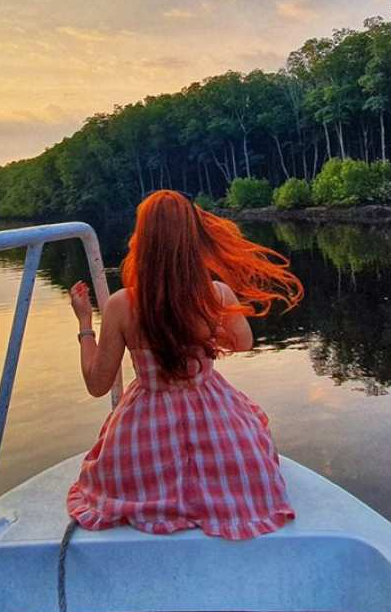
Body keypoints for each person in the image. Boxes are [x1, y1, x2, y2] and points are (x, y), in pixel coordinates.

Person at [65, 190, 303, 540]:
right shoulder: (216, 295)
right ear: (193, 238)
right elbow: (244, 343)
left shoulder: (121, 305)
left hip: (145, 425)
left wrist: (85, 323)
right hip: (213, 413)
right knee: (255, 426)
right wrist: (206, 332)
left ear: (142, 240)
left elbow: (97, 384)